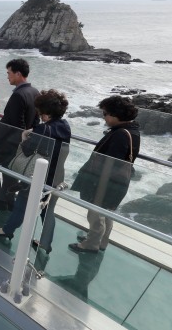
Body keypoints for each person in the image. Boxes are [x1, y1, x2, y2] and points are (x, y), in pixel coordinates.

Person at [0, 89, 71, 248]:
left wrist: (25, 136)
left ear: (46, 113)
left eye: (40, 112)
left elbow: (28, 151)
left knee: (22, 203)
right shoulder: (65, 126)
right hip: (57, 175)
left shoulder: (43, 130)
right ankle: (45, 244)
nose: (39, 115)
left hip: (39, 176)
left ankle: (7, 230)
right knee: (48, 211)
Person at [68, 96, 140, 253]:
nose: (104, 117)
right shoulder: (132, 130)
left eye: (105, 113)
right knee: (107, 213)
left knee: (96, 214)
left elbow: (110, 164)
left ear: (116, 115)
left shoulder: (120, 134)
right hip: (117, 183)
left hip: (105, 182)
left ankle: (91, 244)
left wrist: (96, 186)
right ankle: (101, 242)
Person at [0, 58, 39, 212]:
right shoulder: (35, 92)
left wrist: (4, 143)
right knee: (9, 174)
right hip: (19, 144)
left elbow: (15, 124)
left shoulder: (18, 95)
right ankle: (9, 202)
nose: (7, 76)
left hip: (6, 144)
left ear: (18, 74)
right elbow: (35, 121)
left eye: (9, 73)